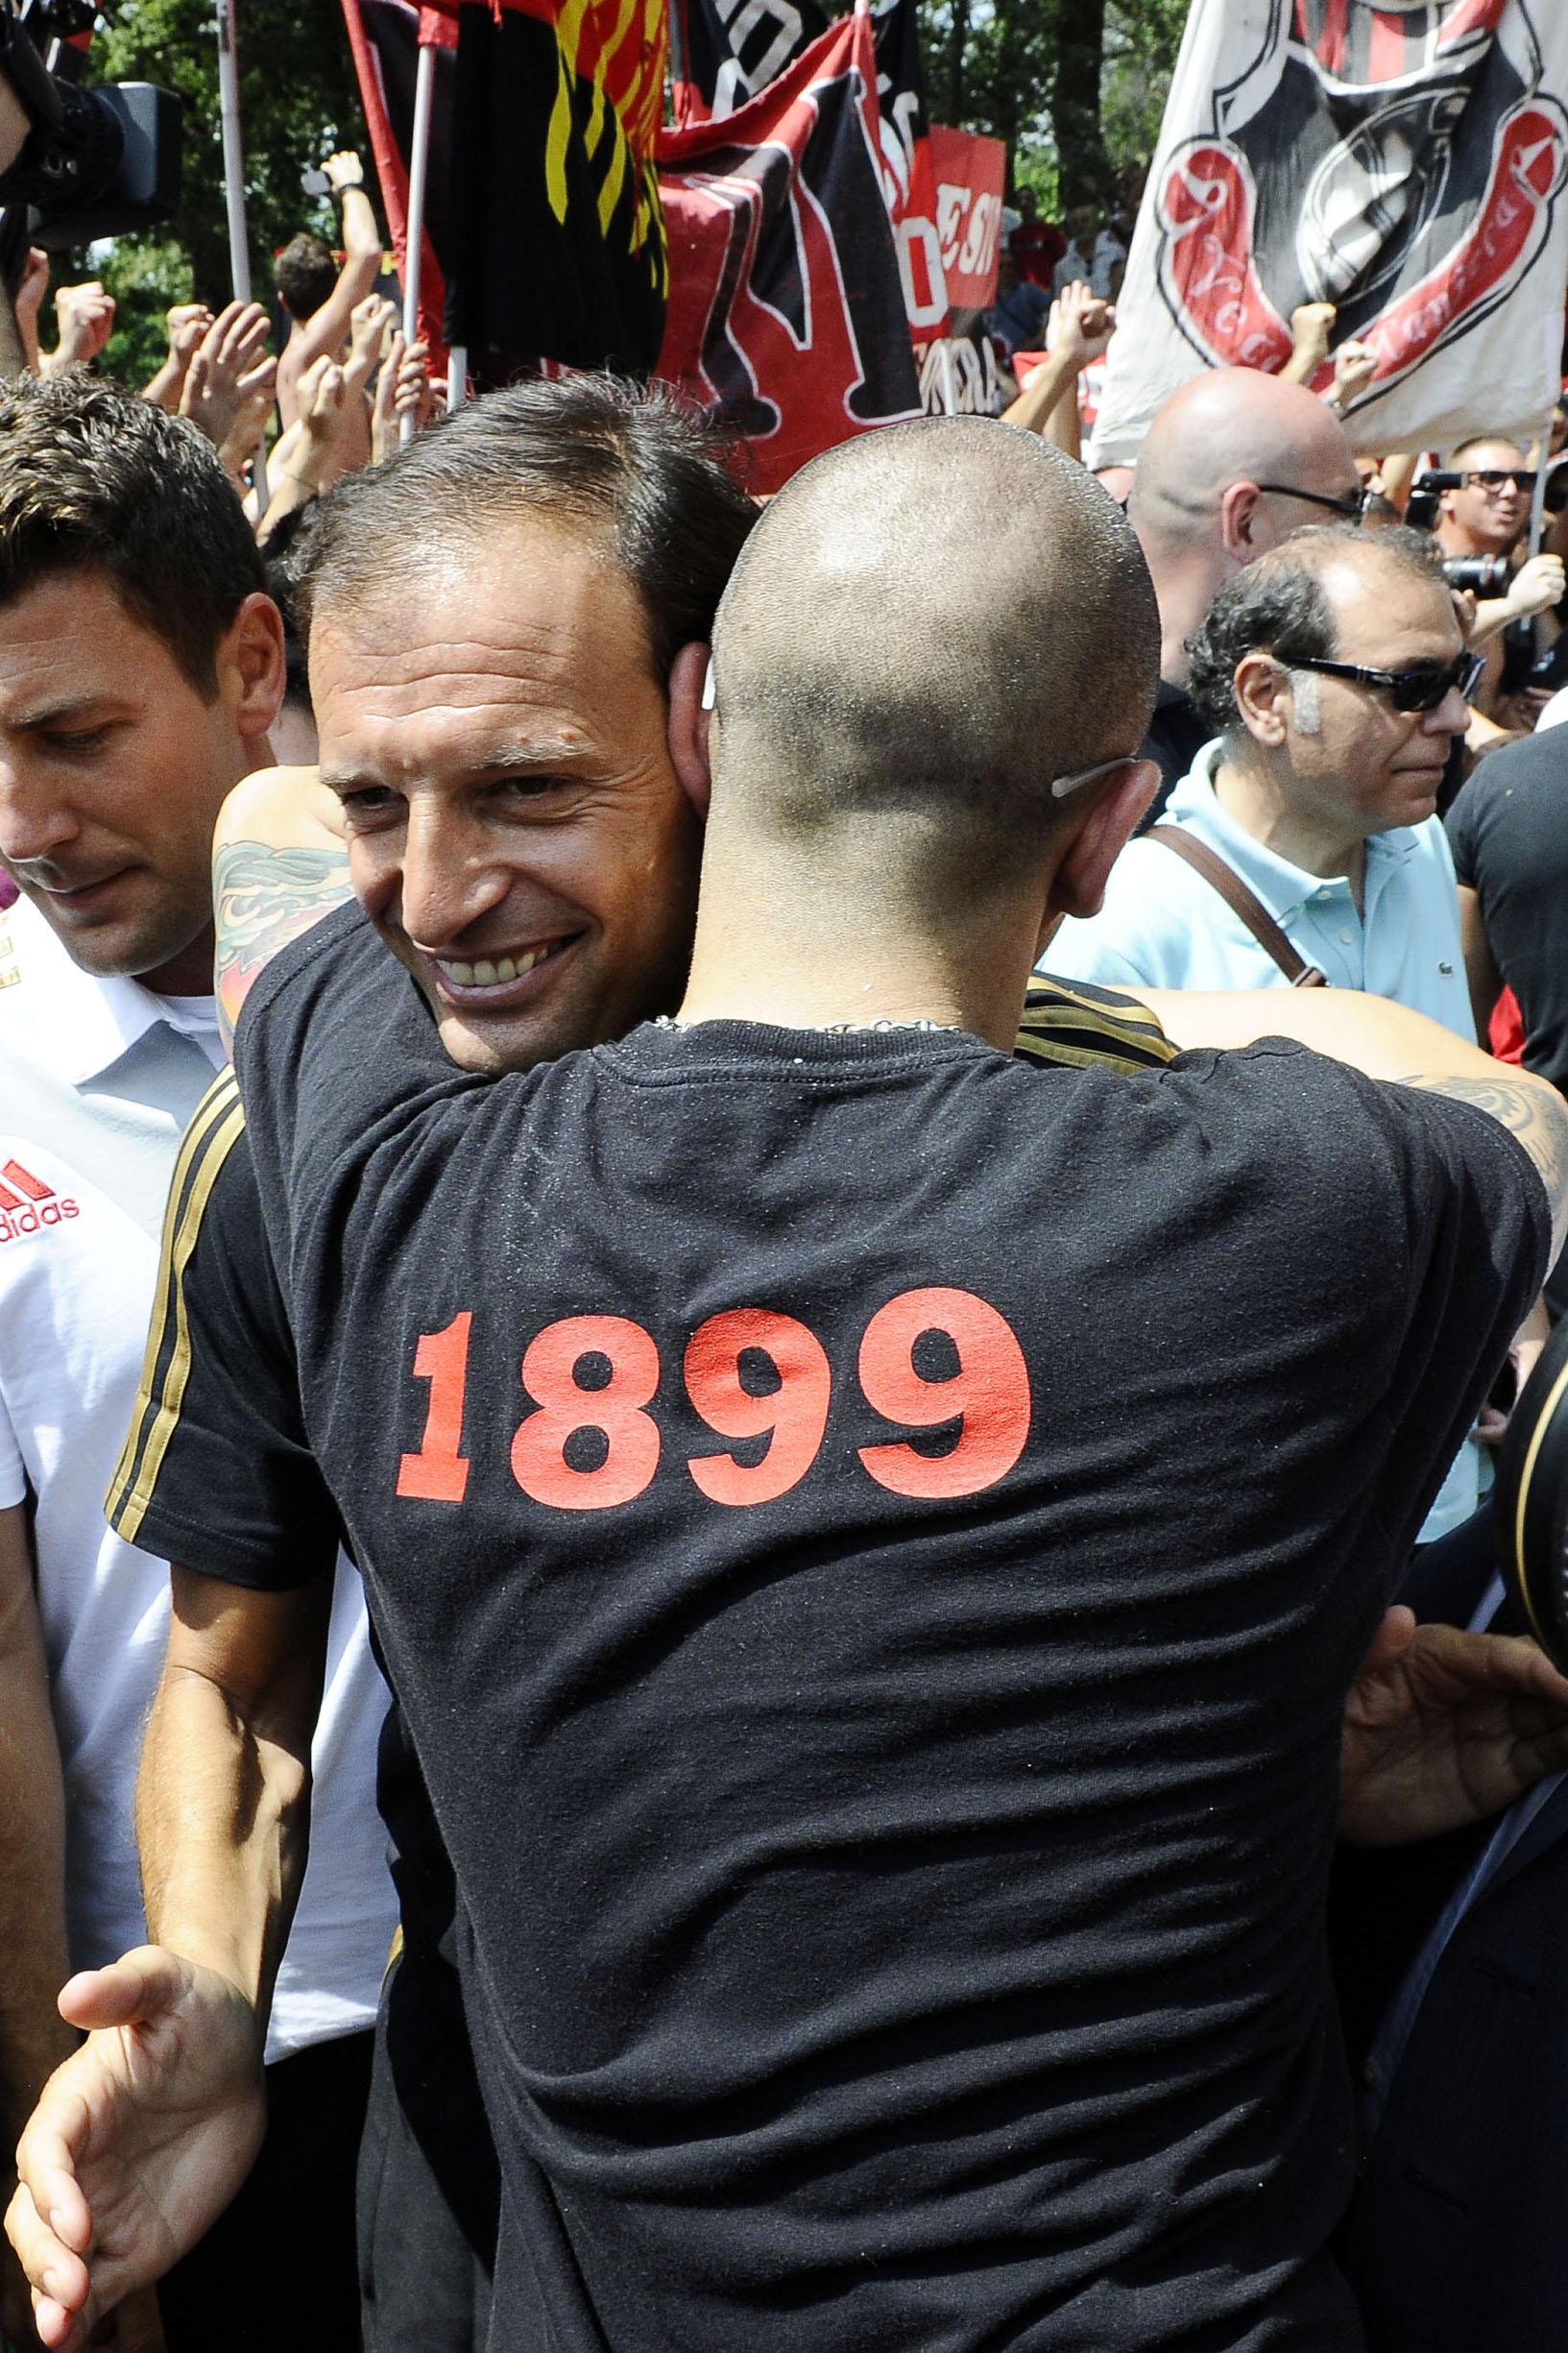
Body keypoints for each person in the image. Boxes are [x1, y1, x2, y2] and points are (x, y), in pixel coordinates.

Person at [14, 418, 1568, 2353]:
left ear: (702, 729)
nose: (431, 894)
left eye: (524, 788)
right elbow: (227, 1680)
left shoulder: (1099, 1093)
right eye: (373, 800)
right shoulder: (311, 1161)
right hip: (490, 2208)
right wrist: (216, 1987)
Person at [0, 372, 396, 2351]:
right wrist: (56, 2181)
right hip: (168, 2069)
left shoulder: (500, 994)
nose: (22, 825)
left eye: (74, 737)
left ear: (255, 662)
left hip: (530, 2053)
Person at [1047, 522, 1512, 1545]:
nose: (1454, 716)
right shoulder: (1117, 933)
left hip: (1453, 1484)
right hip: (1285, 1537)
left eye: (1462, 673)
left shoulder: (1420, 840)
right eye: (1410, 684)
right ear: (1265, 696)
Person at [1122, 365, 1369, 815]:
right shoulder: (1069, 748)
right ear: (1245, 522)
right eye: (1347, 508)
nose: (1357, 538)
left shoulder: (1047, 694)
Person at [274, 148, 384, 442]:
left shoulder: (338, 363)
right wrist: (350, 187)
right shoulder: (304, 358)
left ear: (283, 300)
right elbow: (367, 253)